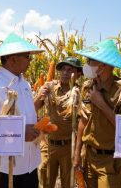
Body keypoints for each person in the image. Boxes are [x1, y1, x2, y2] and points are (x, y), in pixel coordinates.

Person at [0, 33, 44, 188]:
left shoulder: (24, 84)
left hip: (29, 165)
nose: (30, 61)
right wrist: (20, 132)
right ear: (13, 59)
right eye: (27, 57)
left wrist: (36, 125)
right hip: (3, 169)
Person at [73, 39, 121, 188]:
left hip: (111, 161)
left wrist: (101, 104)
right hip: (89, 158)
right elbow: (82, 122)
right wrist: (77, 154)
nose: (86, 64)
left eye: (89, 61)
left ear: (102, 65)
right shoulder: (88, 86)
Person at [34, 57, 83, 188]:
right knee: (46, 179)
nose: (65, 73)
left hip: (68, 146)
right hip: (49, 144)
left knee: (68, 183)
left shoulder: (81, 92)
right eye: (63, 70)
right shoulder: (50, 87)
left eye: (70, 70)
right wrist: (40, 95)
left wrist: (78, 151)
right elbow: (34, 108)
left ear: (78, 74)